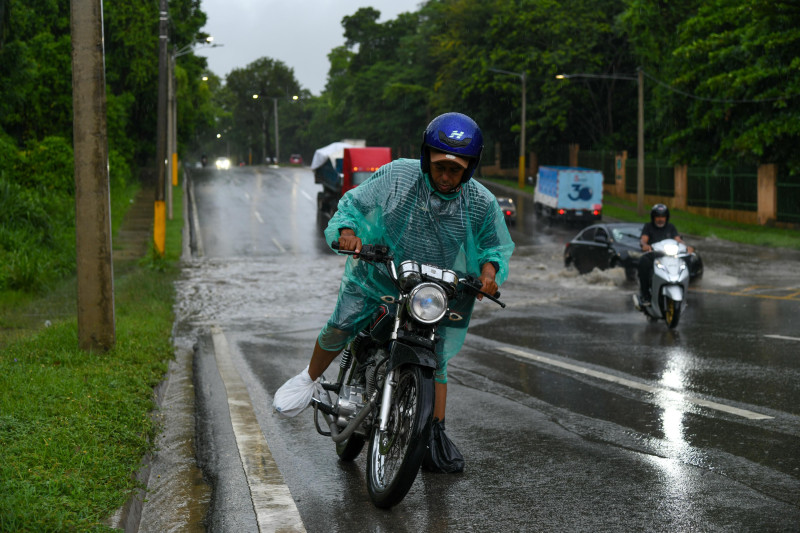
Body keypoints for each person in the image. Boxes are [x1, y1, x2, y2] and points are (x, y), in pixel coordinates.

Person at [273, 112, 515, 471]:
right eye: (440, 167)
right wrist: (346, 232)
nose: (447, 177)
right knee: (342, 323)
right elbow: (353, 204)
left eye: (456, 170)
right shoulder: (398, 175)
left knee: (439, 358)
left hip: (436, 287)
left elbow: (494, 248)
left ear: (470, 168)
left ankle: (434, 432)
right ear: (425, 157)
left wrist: (489, 272)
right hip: (379, 273)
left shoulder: (480, 202)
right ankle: (309, 378)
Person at [637, 203, 694, 304]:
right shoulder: (648, 226)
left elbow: (678, 240)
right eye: (658, 216)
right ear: (653, 217)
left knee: (688, 259)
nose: (660, 219)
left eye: (663, 216)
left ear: (666, 217)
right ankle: (645, 294)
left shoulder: (671, 227)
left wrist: (686, 247)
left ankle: (684, 289)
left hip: (671, 255)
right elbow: (643, 240)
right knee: (643, 262)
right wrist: (645, 245)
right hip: (655, 254)